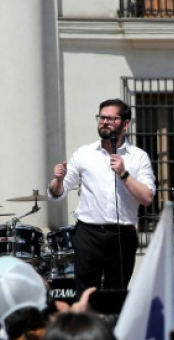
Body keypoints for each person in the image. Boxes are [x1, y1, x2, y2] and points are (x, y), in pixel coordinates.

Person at [48, 98, 156, 292]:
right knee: (85, 295)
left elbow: (147, 197)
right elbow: (58, 194)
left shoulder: (138, 157)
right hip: (88, 233)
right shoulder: (84, 153)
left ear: (125, 124)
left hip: (122, 235)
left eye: (110, 118)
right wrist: (58, 180)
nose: (104, 122)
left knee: (116, 295)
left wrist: (124, 174)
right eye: (101, 117)